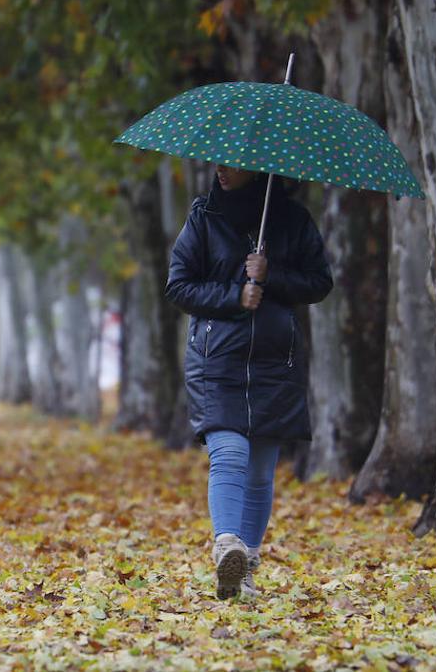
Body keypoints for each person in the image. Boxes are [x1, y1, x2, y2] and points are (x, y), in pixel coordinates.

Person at [165, 165, 333, 600]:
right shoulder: (203, 218)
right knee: (231, 450)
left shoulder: (293, 220)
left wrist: (271, 272)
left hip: (275, 363)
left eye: (233, 164)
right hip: (216, 359)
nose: (222, 170)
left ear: (257, 168)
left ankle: (245, 569)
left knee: (260, 471)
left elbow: (319, 282)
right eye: (219, 162)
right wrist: (234, 295)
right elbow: (179, 286)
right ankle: (226, 546)